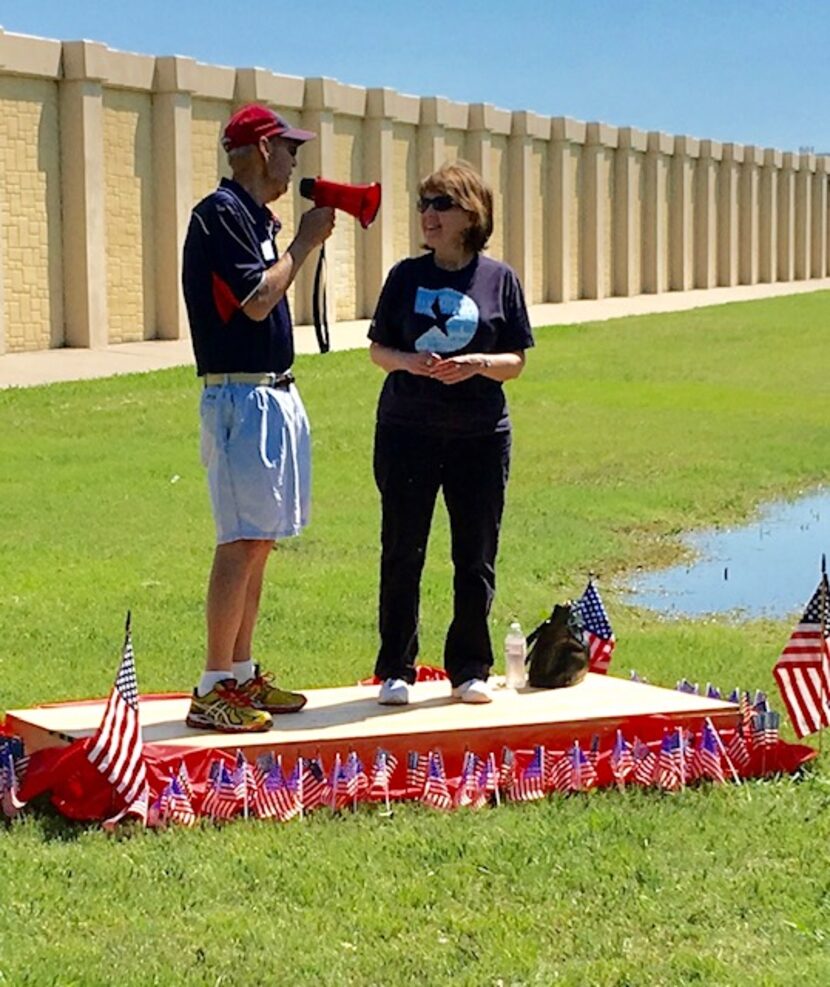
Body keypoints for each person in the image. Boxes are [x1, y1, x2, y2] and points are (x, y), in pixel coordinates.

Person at [181, 103, 335, 732]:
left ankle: (240, 675)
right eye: (289, 148)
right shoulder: (219, 215)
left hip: (269, 395)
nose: (296, 160)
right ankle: (214, 685)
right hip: (240, 399)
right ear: (263, 148)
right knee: (239, 540)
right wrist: (303, 242)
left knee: (260, 542)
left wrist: (291, 239)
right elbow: (255, 300)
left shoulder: (252, 218)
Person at [368, 160, 534, 706]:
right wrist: (411, 363)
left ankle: (469, 668)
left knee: (475, 555)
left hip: (480, 437)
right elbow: (378, 351)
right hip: (407, 432)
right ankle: (396, 669)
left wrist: (480, 362)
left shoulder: (498, 279)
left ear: (471, 214)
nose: (428, 215)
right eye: (424, 205)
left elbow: (516, 360)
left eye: (441, 204)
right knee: (402, 551)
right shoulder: (405, 278)